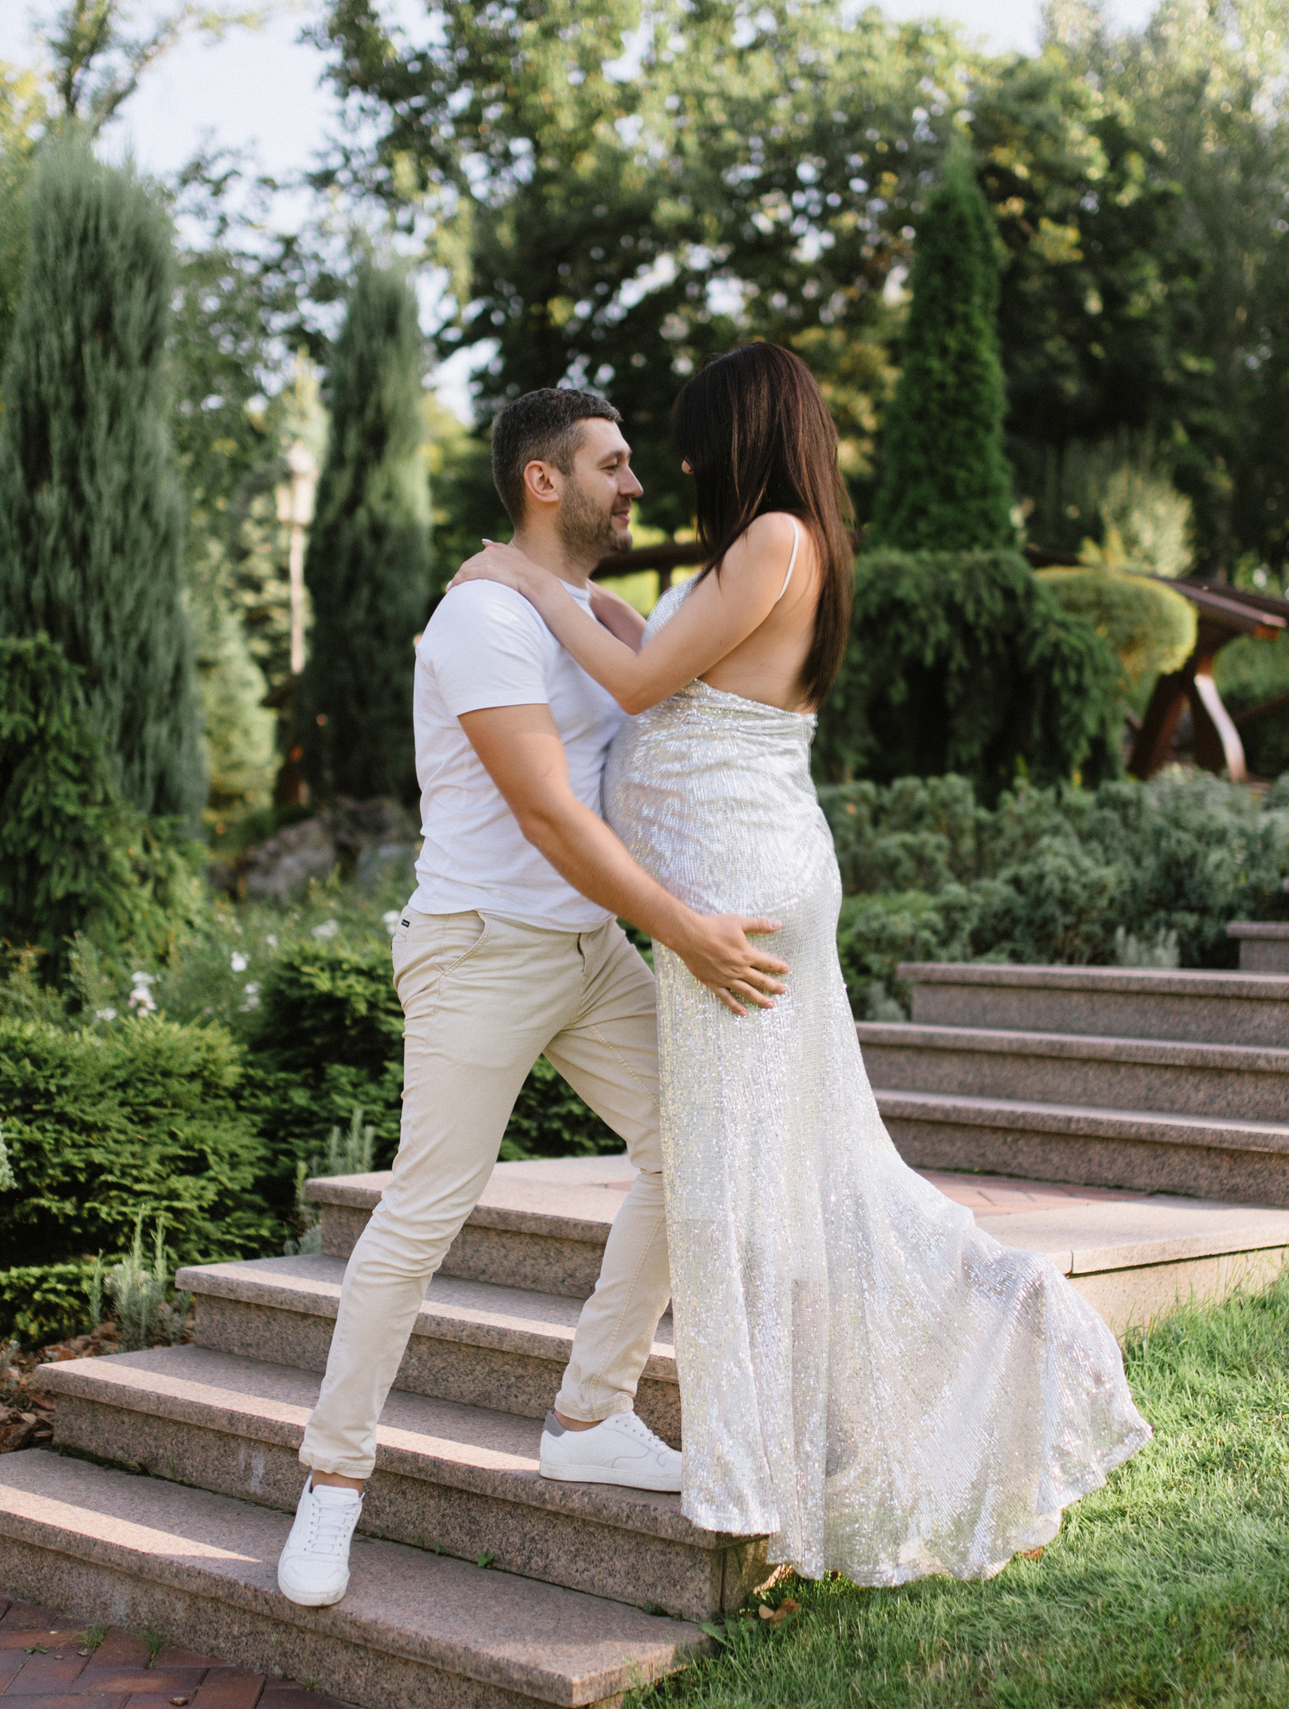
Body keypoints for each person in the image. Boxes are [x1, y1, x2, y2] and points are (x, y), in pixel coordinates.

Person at [448, 343, 1152, 1585]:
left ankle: (995, 1329)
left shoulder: (774, 536)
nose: (671, 465)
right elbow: (655, 647)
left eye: (689, 437)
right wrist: (582, 596)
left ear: (744, 432)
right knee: (759, 1173)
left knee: (752, 1183)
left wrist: (523, 577)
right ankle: (772, 1448)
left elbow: (631, 673)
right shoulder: (764, 546)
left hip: (737, 896)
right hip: (741, 878)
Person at [275, 387, 794, 1609]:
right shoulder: (477, 626)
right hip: (478, 949)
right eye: (613, 466)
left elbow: (641, 675)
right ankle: (332, 1479)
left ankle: (589, 1411)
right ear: (543, 480)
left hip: (585, 951)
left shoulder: (564, 609)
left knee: (692, 1138)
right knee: (422, 1212)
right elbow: (549, 812)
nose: (637, 485)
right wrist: (688, 932)